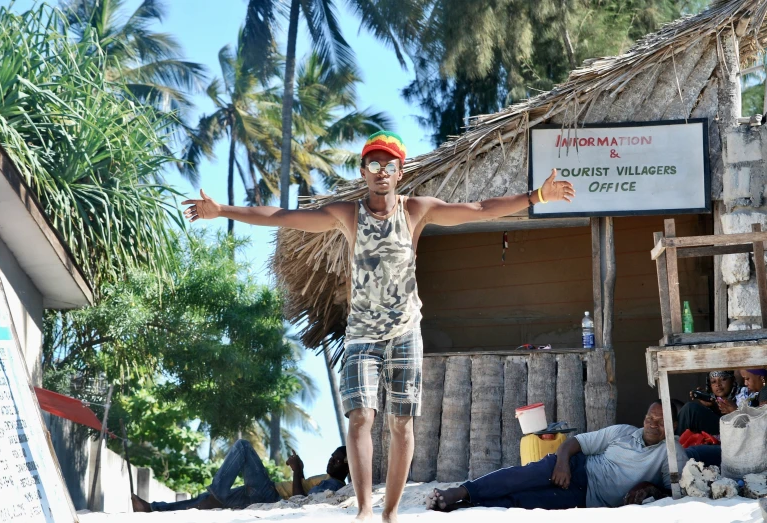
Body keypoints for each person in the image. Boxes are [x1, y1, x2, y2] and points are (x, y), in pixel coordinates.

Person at [181, 130, 575, 522]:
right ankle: (366, 509)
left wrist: (537, 196)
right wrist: (224, 211)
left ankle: (389, 513)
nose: (382, 171)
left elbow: (478, 209)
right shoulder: (348, 214)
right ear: (364, 171)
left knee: (401, 424)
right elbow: (285, 217)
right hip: (362, 337)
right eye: (374, 163)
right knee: (361, 417)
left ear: (400, 172)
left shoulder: (416, 210)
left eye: (389, 164)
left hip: (405, 333)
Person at [425, 401, 688, 512]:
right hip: (577, 467)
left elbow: (676, 491)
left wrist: (650, 487)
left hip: (585, 498)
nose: (652, 424)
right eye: (649, 417)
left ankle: (463, 508)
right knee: (522, 477)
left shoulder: (672, 452)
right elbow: (574, 442)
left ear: (674, 425)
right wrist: (563, 464)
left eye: (660, 420)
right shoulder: (624, 432)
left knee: (525, 502)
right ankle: (457, 493)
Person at [131, 440, 348, 512]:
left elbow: (302, 502)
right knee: (205, 502)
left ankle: (218, 490)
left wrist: (298, 470)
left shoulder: (335, 485)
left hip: (271, 496)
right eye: (332, 456)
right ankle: (151, 508)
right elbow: (304, 494)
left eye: (337, 460)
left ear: (348, 466)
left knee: (243, 446)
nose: (331, 461)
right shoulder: (327, 478)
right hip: (264, 495)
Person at [676, 370, 739, 435]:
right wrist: (712, 406)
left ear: (732, 380)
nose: (718, 384)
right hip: (721, 429)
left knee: (690, 409)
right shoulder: (712, 400)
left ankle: (674, 442)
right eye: (713, 382)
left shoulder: (743, 394)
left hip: (732, 431)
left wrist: (734, 410)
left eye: (723, 379)